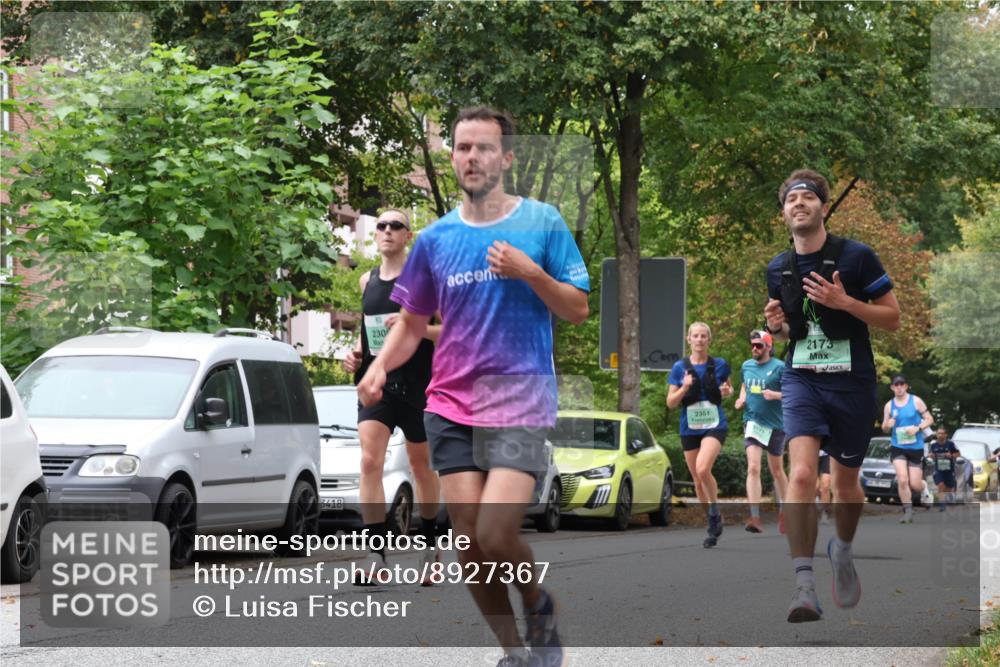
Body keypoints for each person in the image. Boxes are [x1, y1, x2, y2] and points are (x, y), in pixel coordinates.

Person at [357, 106, 589, 667]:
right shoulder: (435, 240)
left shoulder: (542, 222)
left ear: (506, 157)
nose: (471, 157)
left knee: (495, 531)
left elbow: (578, 309)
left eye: (483, 148)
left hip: (519, 402)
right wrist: (380, 365)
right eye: (462, 147)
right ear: (453, 156)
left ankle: (537, 603)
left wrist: (531, 272)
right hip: (451, 405)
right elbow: (412, 322)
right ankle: (514, 652)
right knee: (468, 545)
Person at [763, 168, 901, 623]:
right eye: (790, 200)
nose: (798, 204)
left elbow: (892, 318)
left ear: (823, 206)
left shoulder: (858, 258)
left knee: (845, 486)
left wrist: (847, 304)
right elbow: (790, 332)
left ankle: (841, 549)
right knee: (800, 474)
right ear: (783, 213)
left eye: (807, 197)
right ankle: (803, 584)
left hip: (852, 382)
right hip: (802, 379)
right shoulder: (778, 268)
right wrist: (777, 326)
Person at [342, 208, 442, 585]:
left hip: (420, 383)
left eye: (394, 225)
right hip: (376, 382)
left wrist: (414, 326)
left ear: (407, 235)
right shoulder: (366, 281)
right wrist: (355, 354)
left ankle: (431, 545)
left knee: (421, 468)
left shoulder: (425, 281)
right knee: (369, 461)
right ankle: (376, 555)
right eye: (381, 226)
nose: (386, 231)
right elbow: (367, 334)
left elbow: (447, 329)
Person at [667, 322, 734, 548]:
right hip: (690, 427)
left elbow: (729, 389)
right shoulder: (679, 368)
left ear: (709, 340)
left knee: (703, 468)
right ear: (689, 340)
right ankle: (713, 521)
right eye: (695, 336)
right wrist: (684, 387)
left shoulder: (720, 365)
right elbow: (670, 403)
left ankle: (714, 512)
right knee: (697, 481)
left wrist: (727, 391)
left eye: (703, 336)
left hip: (715, 424)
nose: (699, 340)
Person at [734, 330, 789, 534]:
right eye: (753, 345)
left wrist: (775, 395)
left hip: (775, 425)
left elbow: (792, 393)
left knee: (777, 471)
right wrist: (741, 399)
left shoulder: (780, 368)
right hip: (753, 422)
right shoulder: (746, 366)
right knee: (754, 468)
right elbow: (744, 386)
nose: (754, 348)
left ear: (768, 346)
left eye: (759, 345)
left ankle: (786, 511)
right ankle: (755, 516)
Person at [881, 374, 933, 523]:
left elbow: (930, 419)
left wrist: (918, 428)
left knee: (915, 484)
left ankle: (924, 489)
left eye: (901, 384)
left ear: (906, 386)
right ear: (892, 387)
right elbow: (885, 428)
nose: (899, 387)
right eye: (896, 385)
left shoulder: (916, 401)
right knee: (902, 480)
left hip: (916, 447)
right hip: (898, 446)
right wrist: (887, 425)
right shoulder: (889, 405)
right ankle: (908, 512)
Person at [928, 427, 960, 510]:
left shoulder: (951, 444)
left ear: (946, 435)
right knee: (940, 484)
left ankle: (947, 498)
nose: (940, 435)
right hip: (938, 469)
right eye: (939, 433)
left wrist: (951, 455)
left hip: (949, 469)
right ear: (936, 434)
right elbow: (930, 454)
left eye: (942, 433)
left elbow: (958, 454)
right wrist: (931, 456)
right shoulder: (933, 445)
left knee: (949, 488)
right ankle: (942, 504)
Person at [817, 450, 832, 525]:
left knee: (825, 485)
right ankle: (817, 501)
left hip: (827, 453)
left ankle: (824, 513)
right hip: (811, 452)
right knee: (815, 487)